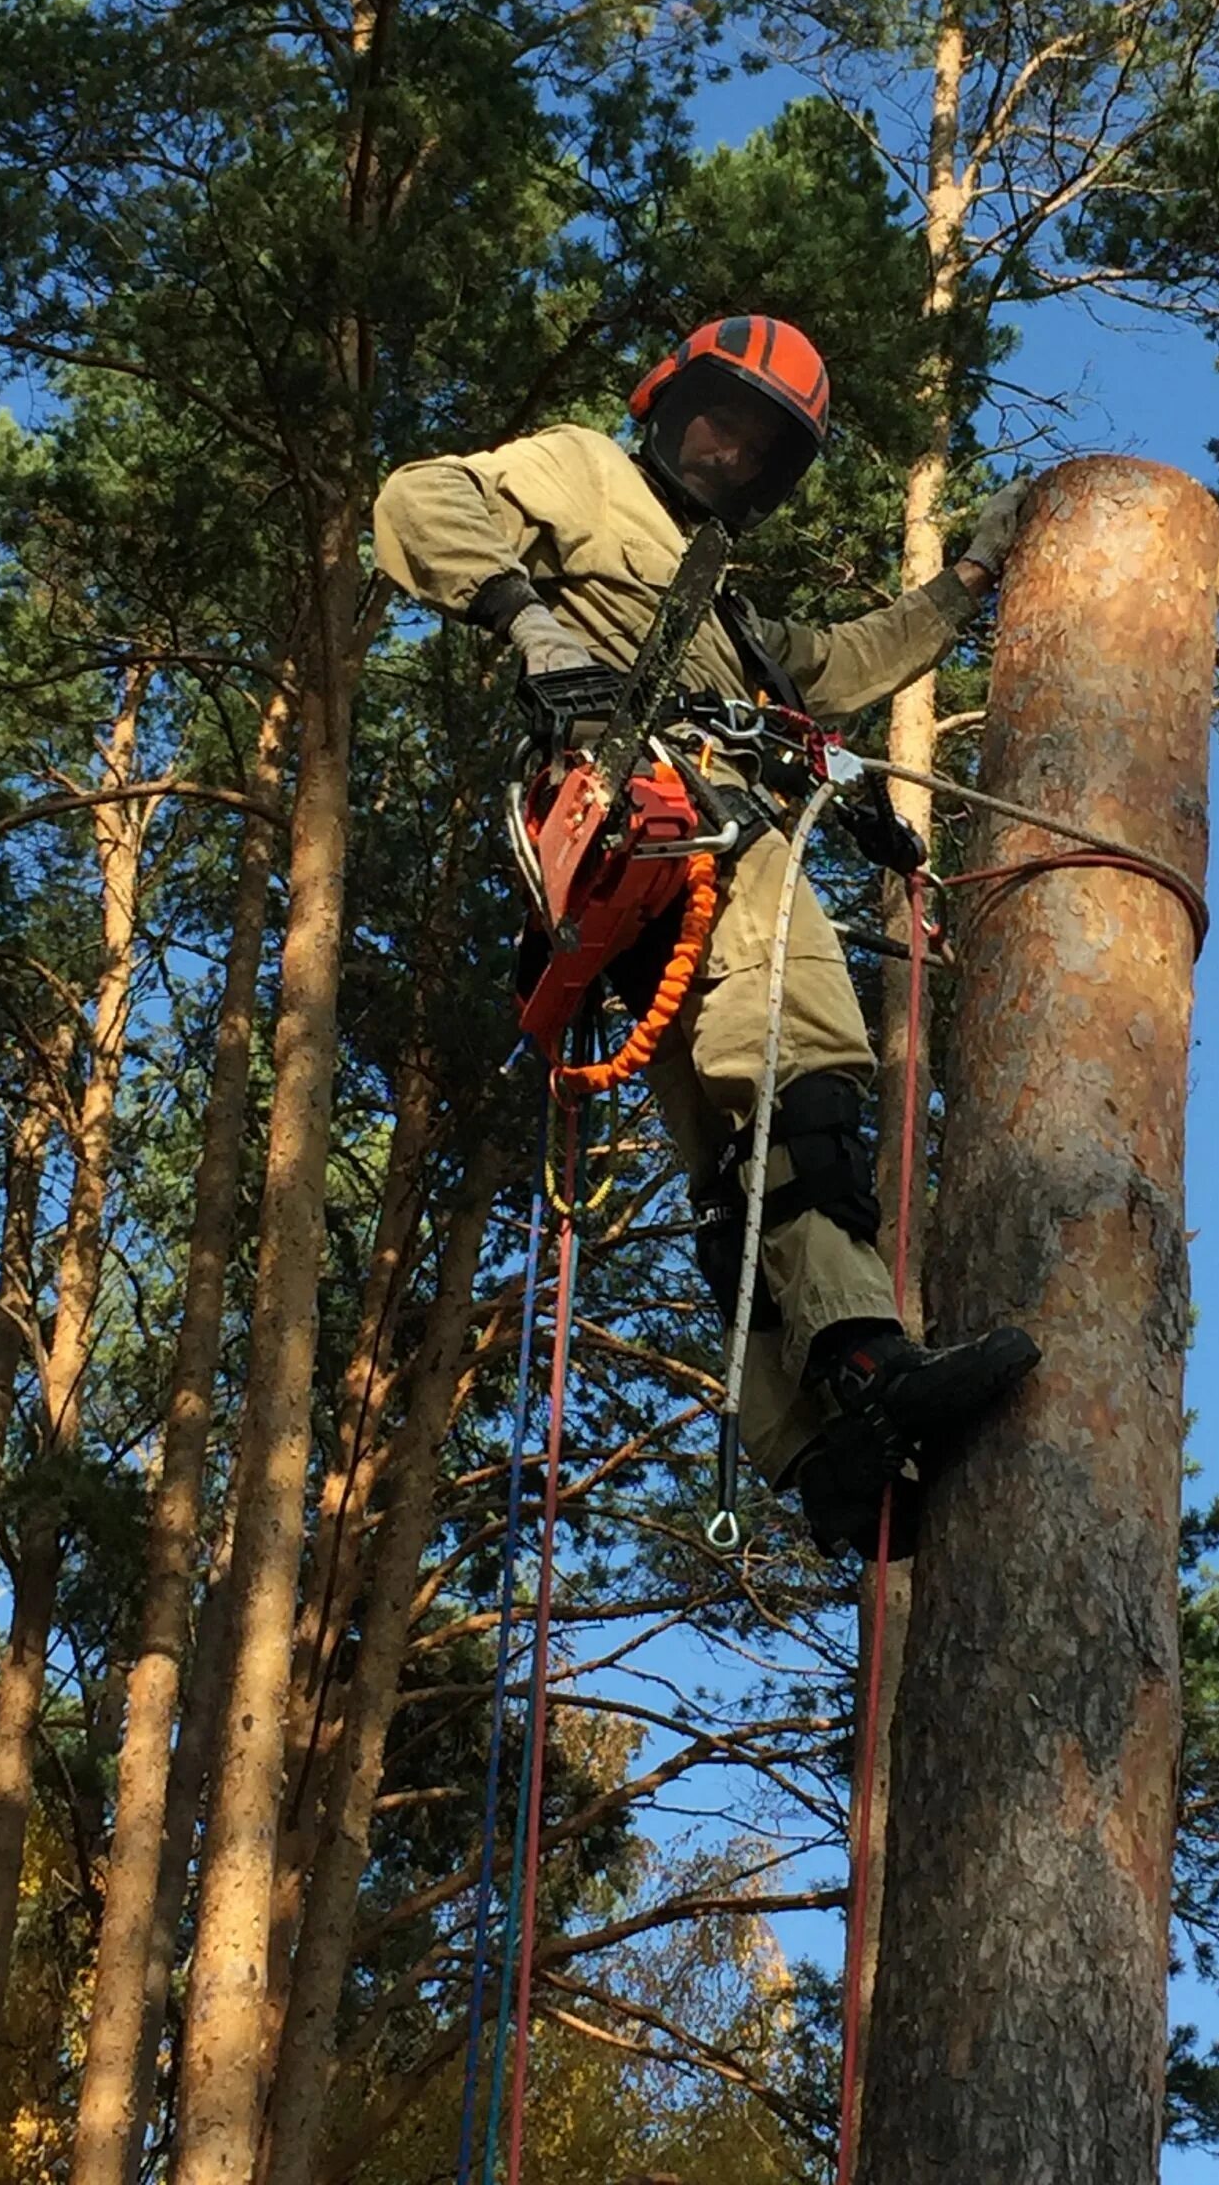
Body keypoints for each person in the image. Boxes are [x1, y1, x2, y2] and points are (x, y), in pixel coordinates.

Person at [372, 315, 1038, 1555]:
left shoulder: (726, 616)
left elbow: (840, 665)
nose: (730, 454)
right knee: (807, 1070)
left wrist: (973, 577)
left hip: (661, 875)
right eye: (719, 422)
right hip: (677, 827)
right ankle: (864, 1351)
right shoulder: (584, 471)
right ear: (669, 407)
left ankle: (815, 1440)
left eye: (762, 447)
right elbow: (422, 498)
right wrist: (534, 622)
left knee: (740, 1147)